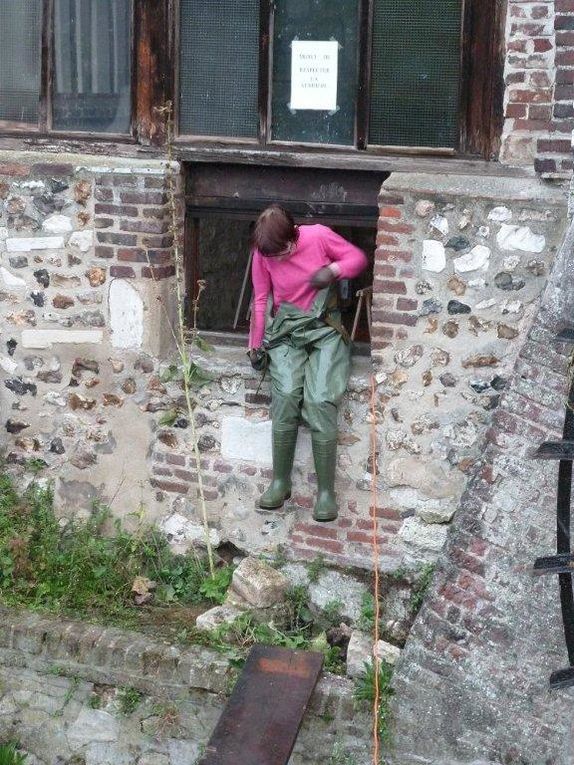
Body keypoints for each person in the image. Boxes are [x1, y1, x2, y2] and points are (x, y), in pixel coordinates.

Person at [248, 205, 367, 522]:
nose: (278, 260)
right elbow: (261, 299)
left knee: (318, 399)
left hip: (325, 329)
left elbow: (357, 258)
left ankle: (326, 493)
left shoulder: (318, 236)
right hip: (287, 331)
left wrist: (332, 271)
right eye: (271, 257)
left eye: (282, 252)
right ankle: (280, 482)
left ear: (293, 237)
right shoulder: (264, 253)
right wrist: (256, 344)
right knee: (285, 395)